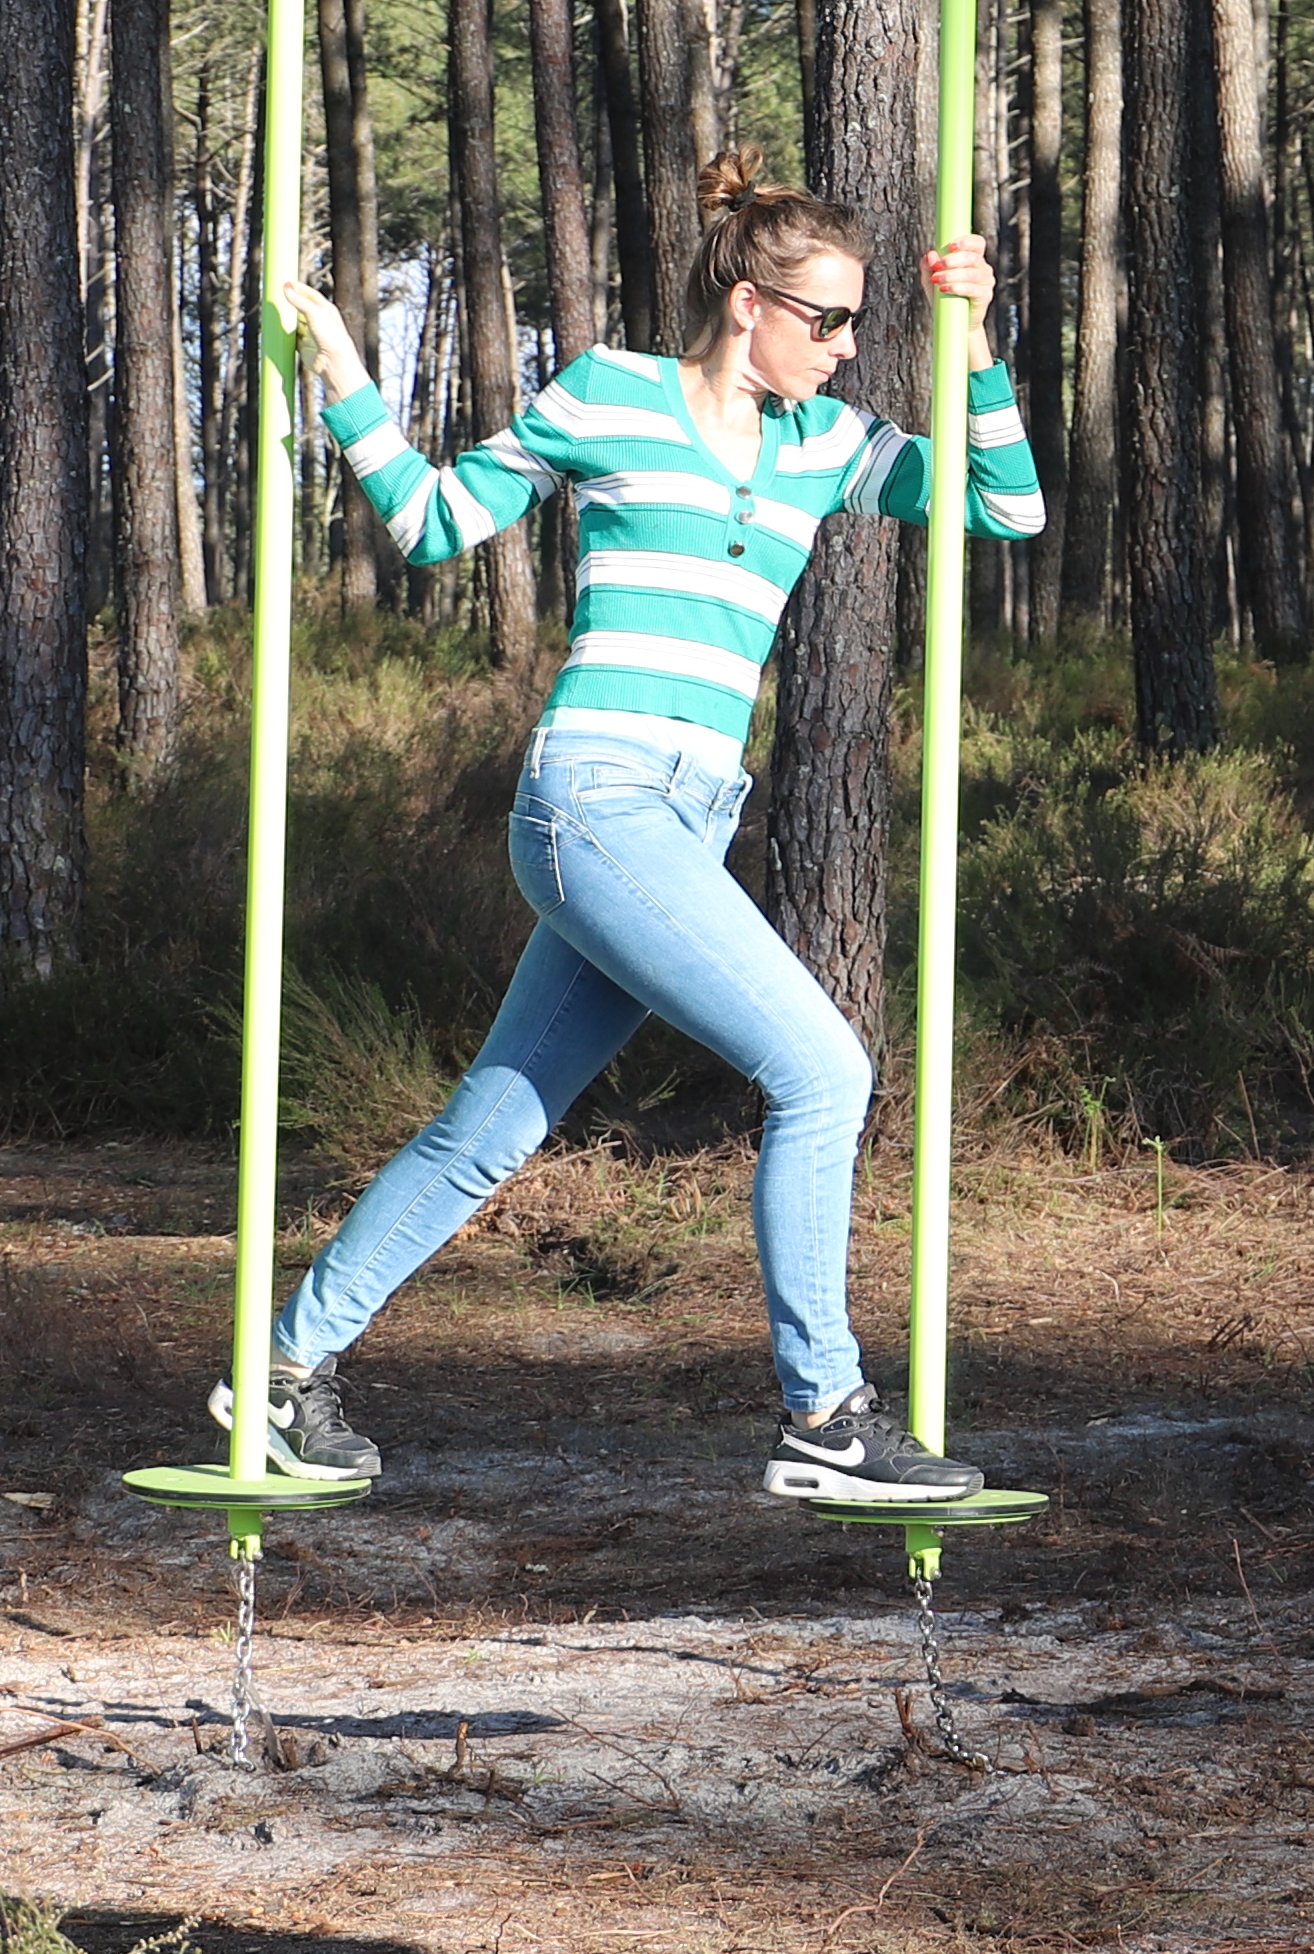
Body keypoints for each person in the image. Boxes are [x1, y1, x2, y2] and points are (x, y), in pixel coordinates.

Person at [225, 151, 1043, 1507]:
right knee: (826, 1074)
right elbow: (435, 523)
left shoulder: (825, 449)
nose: (846, 351)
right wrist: (345, 383)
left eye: (857, 326)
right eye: (827, 321)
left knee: (491, 1128)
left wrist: (976, 353)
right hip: (594, 801)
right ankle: (825, 1412)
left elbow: (1002, 506)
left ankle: (286, 1371)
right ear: (747, 306)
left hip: (685, 821)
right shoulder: (609, 394)